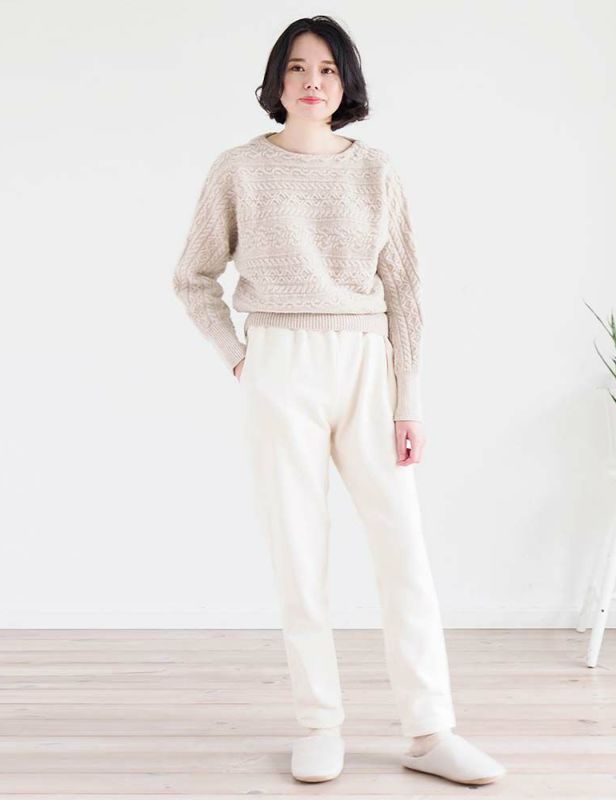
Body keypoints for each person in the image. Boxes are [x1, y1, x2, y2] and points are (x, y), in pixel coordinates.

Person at [172, 14, 507, 787]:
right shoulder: (238, 170)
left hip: (366, 363)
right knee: (299, 552)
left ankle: (431, 730)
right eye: (297, 67)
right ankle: (319, 724)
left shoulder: (376, 171)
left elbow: (405, 290)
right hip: (279, 362)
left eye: (326, 69)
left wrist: (408, 400)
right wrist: (239, 356)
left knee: (403, 551)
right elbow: (192, 277)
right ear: (276, 81)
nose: (312, 81)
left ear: (346, 83)